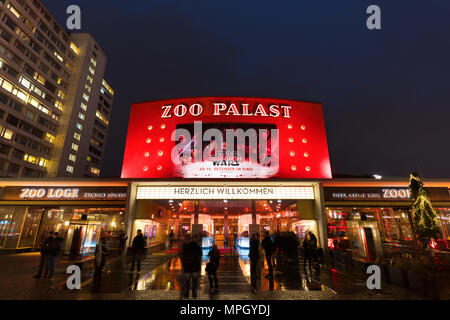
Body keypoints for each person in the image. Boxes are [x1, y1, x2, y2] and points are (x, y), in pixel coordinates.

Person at [181, 234, 202, 299]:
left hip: (187, 267)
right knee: (194, 282)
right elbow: (200, 256)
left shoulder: (186, 247)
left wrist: (183, 265)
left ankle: (186, 295)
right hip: (195, 267)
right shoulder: (197, 247)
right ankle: (194, 295)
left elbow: (183, 256)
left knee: (187, 282)